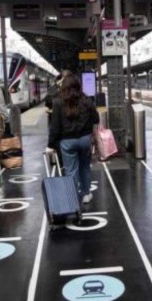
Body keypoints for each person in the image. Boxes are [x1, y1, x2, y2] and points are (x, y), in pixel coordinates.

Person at [46, 74, 99, 204]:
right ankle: (86, 194)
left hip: (67, 142)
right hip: (85, 140)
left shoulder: (58, 102)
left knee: (71, 170)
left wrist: (50, 145)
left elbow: (55, 127)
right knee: (85, 167)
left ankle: (73, 197)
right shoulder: (86, 100)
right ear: (78, 86)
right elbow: (96, 119)